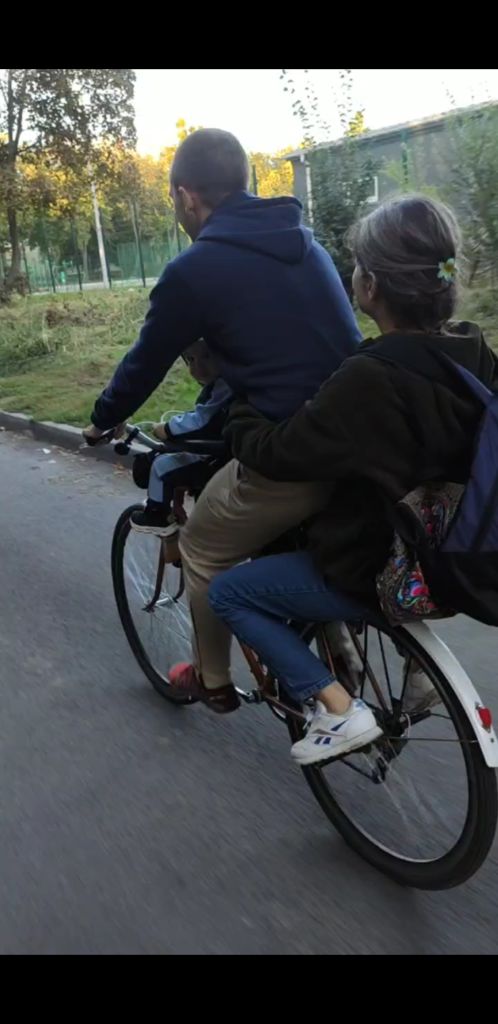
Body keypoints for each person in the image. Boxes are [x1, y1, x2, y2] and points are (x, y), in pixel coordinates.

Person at [209, 194, 498, 764]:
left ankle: (337, 707)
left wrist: (239, 407)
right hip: (457, 557)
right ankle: (409, 668)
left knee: (231, 592)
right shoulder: (472, 348)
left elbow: (278, 453)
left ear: (370, 285)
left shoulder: (369, 377)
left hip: (380, 568)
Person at [84, 128, 361, 713]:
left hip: (293, 450)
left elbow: (145, 363)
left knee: (204, 548)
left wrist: (102, 419)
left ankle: (211, 681)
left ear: (186, 196)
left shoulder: (196, 269)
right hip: (361, 437)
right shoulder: (305, 244)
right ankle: (333, 642)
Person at [130, 339, 231, 539]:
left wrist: (167, 429)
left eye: (207, 356)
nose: (198, 367)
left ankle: (156, 516)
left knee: (160, 466)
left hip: (216, 457)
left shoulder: (225, 385)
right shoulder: (225, 384)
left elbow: (201, 421)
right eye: (191, 359)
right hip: (221, 454)